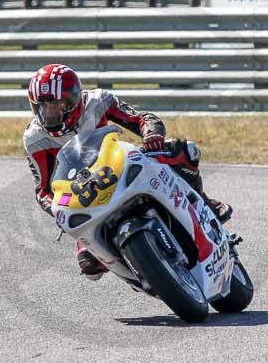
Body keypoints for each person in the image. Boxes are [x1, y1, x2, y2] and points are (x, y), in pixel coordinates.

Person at [23, 63, 232, 280]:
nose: (50, 114)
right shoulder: (34, 139)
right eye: (42, 107)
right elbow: (43, 190)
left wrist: (151, 135)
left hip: (118, 165)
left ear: (73, 99)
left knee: (183, 150)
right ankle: (142, 270)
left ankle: (204, 203)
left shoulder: (98, 101)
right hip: (84, 195)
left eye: (57, 105)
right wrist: (56, 208)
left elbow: (142, 118)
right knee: (89, 264)